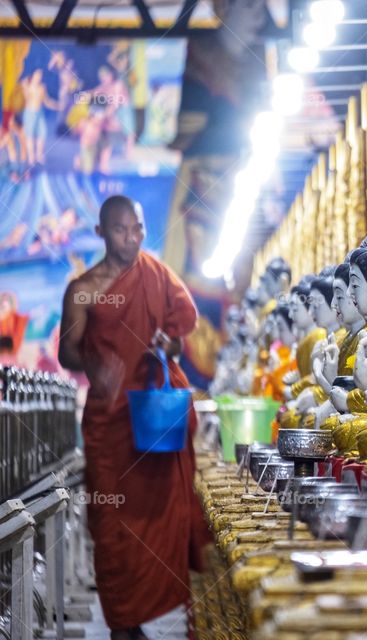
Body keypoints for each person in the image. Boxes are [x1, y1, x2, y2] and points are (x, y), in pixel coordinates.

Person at [58, 195, 210, 640]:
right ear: (101, 233)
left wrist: (167, 347)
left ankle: (167, 607)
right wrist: (93, 364)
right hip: (110, 426)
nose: (133, 238)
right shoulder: (83, 289)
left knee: (165, 513)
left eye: (139, 228)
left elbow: (179, 337)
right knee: (111, 524)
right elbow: (67, 351)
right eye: (123, 229)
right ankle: (123, 622)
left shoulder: (157, 276)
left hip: (152, 418)